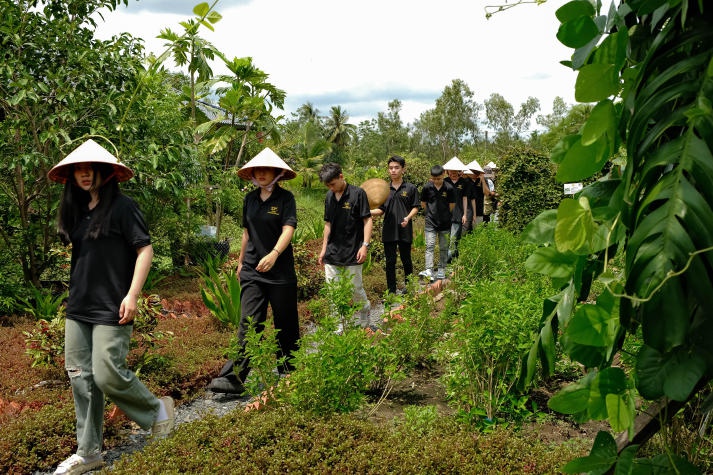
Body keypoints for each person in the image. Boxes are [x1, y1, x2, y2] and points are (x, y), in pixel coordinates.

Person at [47, 139, 174, 475]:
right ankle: (89, 452)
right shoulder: (76, 210)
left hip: (112, 306)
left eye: (91, 168)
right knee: (80, 379)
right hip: (79, 306)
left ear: (106, 171)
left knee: (106, 373)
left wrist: (132, 295)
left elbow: (144, 250)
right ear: (72, 174)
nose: (84, 173)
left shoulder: (124, 207)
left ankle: (157, 411)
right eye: (78, 168)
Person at [207, 147, 300, 394]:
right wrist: (240, 262)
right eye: (257, 170)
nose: (260, 173)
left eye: (265, 169)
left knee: (286, 324)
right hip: (252, 270)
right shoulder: (249, 199)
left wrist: (274, 254)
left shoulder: (286, 199)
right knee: (249, 322)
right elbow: (246, 233)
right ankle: (234, 377)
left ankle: (290, 372)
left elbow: (288, 230)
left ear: (277, 173)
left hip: (280, 273)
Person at [318, 162, 375, 329]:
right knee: (334, 292)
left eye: (332, 184)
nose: (331, 188)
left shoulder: (358, 194)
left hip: (353, 251)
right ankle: (339, 328)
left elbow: (367, 219)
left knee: (355, 288)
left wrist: (364, 245)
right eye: (327, 185)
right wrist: (323, 250)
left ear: (341, 176)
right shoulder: (329, 196)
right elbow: (327, 224)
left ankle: (365, 311)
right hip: (332, 252)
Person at [370, 155, 420, 295]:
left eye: (396, 167)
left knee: (406, 260)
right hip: (389, 230)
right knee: (390, 262)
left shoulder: (410, 188)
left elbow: (415, 207)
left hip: (405, 229)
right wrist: (367, 212)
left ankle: (409, 288)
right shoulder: (384, 189)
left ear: (403, 169)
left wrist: (408, 217)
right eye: (391, 168)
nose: (393, 170)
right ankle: (391, 292)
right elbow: (381, 210)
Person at [418, 164, 455, 281]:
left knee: (444, 247)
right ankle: (429, 269)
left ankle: (441, 269)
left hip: (445, 223)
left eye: (438, 179)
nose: (436, 181)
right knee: (430, 246)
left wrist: (443, 215)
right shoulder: (427, 188)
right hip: (430, 222)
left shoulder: (449, 188)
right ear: (431, 177)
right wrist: (430, 214)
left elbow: (452, 206)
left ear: (443, 175)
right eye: (434, 179)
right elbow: (423, 203)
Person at [442, 157, 470, 262]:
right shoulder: (444, 182)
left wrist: (465, 214)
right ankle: (451, 261)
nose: (453, 172)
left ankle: (445, 262)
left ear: (458, 171)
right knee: (446, 239)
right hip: (445, 215)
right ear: (447, 171)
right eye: (451, 170)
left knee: (453, 240)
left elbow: (465, 198)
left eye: (455, 170)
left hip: (458, 214)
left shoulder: (463, 182)